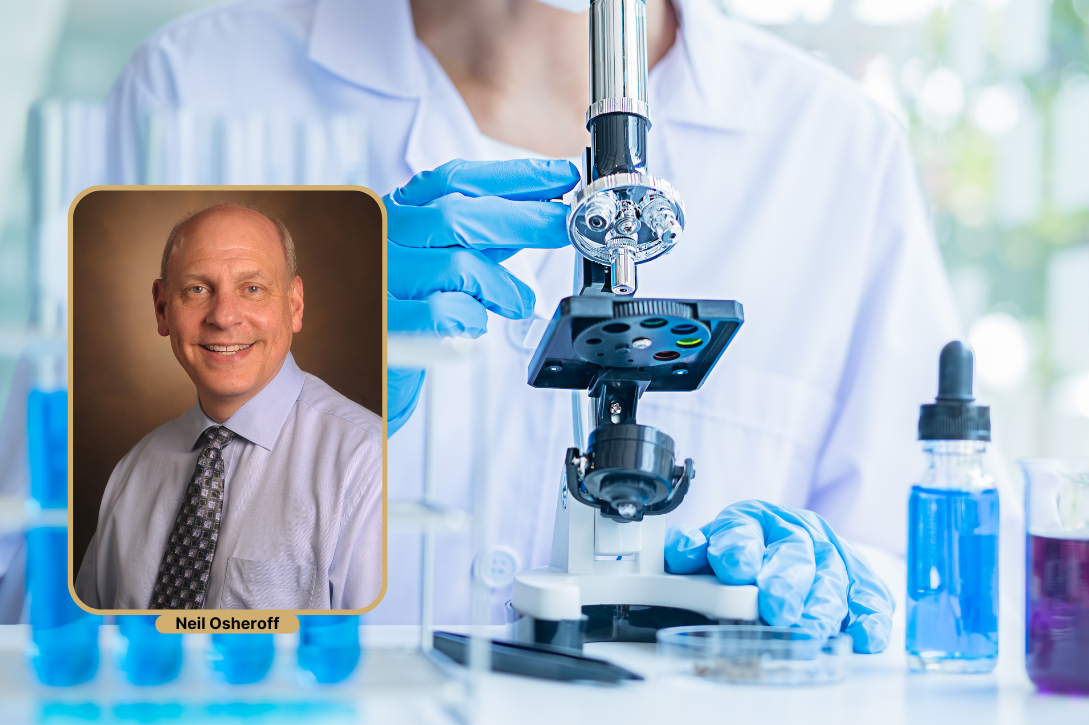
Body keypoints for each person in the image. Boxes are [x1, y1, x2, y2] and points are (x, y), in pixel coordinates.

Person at [104, 0, 979, 648]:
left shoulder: (837, 151)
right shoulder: (196, 87)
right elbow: (50, 597)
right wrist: (292, 407)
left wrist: (842, 590)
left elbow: (934, 600)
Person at [75, 203, 383, 611]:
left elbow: (386, 660)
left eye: (252, 288)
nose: (223, 317)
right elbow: (92, 644)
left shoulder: (367, 461)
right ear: (162, 307)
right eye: (197, 290)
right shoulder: (133, 472)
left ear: (294, 305)